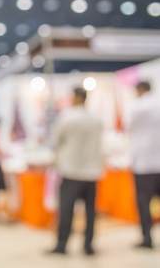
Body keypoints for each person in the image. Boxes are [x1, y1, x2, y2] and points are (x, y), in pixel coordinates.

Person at [49, 87, 103, 255]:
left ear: (76, 97)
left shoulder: (67, 117)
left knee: (66, 210)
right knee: (90, 211)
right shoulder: (95, 119)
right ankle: (88, 245)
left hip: (71, 171)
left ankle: (62, 244)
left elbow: (56, 140)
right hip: (92, 172)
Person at [127, 81, 160, 249]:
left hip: (144, 163)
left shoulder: (138, 107)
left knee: (143, 201)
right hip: (157, 161)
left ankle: (147, 238)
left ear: (140, 89)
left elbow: (129, 127)